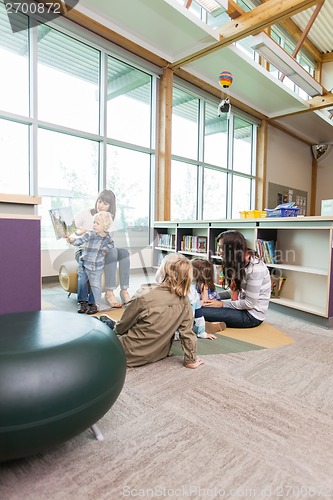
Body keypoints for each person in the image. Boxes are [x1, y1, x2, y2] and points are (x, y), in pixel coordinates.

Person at [99, 254, 204, 369]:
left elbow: (122, 327)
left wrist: (115, 330)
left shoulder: (145, 294)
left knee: (98, 327)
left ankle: (106, 324)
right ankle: (108, 323)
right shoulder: (185, 301)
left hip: (127, 354)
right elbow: (187, 334)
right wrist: (191, 360)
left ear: (164, 271)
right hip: (158, 353)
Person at [200, 230, 271, 328]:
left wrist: (221, 304)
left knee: (198, 310)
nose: (218, 251)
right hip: (241, 308)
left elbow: (249, 304)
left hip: (251, 316)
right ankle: (212, 323)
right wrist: (213, 296)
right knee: (200, 305)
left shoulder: (255, 269)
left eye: (221, 247)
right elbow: (234, 291)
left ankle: (210, 325)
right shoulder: (240, 262)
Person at [74, 189, 131, 309]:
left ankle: (124, 290)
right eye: (99, 201)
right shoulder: (86, 213)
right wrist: (80, 232)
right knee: (113, 251)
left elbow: (108, 240)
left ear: (111, 206)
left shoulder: (110, 218)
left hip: (102, 249)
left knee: (124, 253)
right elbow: (72, 229)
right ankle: (109, 293)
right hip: (85, 250)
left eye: (105, 204)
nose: (101, 205)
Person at [155, 253, 218, 340]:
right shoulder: (193, 292)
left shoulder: (162, 292)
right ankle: (207, 326)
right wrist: (202, 333)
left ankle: (212, 326)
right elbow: (199, 315)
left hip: (167, 334)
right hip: (182, 333)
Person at [67, 211, 114, 314]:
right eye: (94, 222)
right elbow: (79, 241)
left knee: (95, 284)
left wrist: (105, 249)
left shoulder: (107, 238)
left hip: (97, 265)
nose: (94, 225)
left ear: (105, 225)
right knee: (82, 281)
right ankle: (82, 302)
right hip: (84, 263)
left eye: (97, 223)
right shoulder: (89, 234)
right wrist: (71, 240)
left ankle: (93, 304)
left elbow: (111, 244)